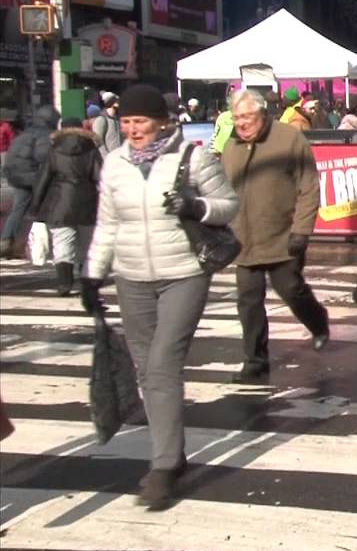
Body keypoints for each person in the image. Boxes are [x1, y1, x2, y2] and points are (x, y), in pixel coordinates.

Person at [81, 83, 239, 509]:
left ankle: (164, 465)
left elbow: (228, 205)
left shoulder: (193, 157)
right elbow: (107, 223)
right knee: (146, 370)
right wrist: (93, 275)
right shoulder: (113, 164)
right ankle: (173, 449)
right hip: (131, 277)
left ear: (162, 122)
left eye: (141, 121)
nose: (133, 129)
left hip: (183, 272)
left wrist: (197, 207)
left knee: (162, 363)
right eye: (127, 121)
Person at [220, 89, 329, 382]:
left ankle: (318, 322)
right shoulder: (231, 146)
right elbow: (223, 190)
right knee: (248, 301)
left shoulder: (288, 138)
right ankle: (255, 361)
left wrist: (302, 231)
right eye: (237, 117)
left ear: (262, 114)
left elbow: (309, 186)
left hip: (283, 236)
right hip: (244, 239)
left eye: (247, 117)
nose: (241, 123)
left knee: (291, 290)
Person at [30, 117, 102, 294]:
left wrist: (36, 206)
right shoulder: (91, 148)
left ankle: (64, 284)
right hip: (88, 202)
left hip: (60, 202)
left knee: (63, 242)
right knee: (87, 245)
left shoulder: (54, 150)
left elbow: (43, 179)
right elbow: (100, 177)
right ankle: (87, 283)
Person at [1, 105, 58, 259]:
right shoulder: (45, 135)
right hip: (32, 176)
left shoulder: (24, 134)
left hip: (16, 175)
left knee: (18, 209)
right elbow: (43, 157)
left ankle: (6, 241)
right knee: (47, 207)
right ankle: (46, 243)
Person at [210, 86, 236, 156]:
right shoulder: (223, 116)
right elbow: (215, 135)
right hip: (222, 154)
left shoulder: (222, 116)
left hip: (230, 154)